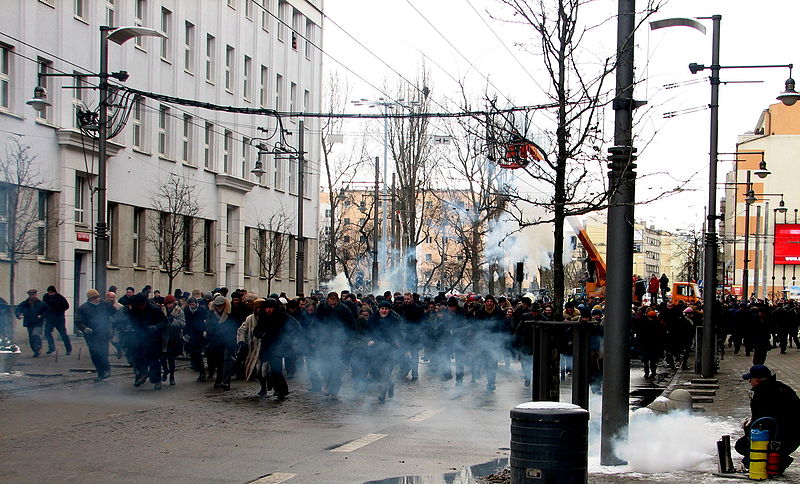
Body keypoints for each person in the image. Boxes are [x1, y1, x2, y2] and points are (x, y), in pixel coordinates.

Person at [735, 365, 800, 475]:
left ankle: (777, 461)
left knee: (742, 445)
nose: (749, 381)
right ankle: (776, 460)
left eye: (751, 379)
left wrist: (747, 428)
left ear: (758, 380)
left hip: (781, 439)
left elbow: (761, 422)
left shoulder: (761, 393)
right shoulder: (782, 387)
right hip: (795, 436)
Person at [75, 289, 112, 381]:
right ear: (90, 299)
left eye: (97, 297)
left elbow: (115, 313)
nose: (97, 299)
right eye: (94, 298)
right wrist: (84, 328)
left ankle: (106, 370)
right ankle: (100, 373)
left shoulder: (105, 304)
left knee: (103, 352)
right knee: (94, 354)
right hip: (91, 335)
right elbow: (78, 321)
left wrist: (111, 326)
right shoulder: (83, 308)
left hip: (103, 333)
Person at [160, 295, 185, 386]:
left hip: (174, 338)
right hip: (163, 337)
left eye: (170, 303)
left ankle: (172, 376)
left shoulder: (179, 311)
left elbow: (183, 324)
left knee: (171, 358)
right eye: (167, 304)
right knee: (162, 358)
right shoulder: (162, 311)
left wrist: (173, 321)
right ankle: (165, 370)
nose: (169, 306)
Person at [15, 289, 47, 357]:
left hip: (38, 322)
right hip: (29, 322)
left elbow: (47, 311)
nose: (31, 296)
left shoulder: (41, 303)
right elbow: (18, 309)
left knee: (35, 334)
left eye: (33, 295)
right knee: (31, 337)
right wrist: (19, 315)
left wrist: (41, 315)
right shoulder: (25, 303)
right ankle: (35, 351)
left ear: (36, 295)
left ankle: (38, 349)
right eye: (30, 295)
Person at [42, 285, 72, 355]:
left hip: (59, 319)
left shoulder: (60, 298)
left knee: (63, 334)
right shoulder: (45, 297)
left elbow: (66, 306)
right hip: (50, 318)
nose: (50, 294)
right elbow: (43, 306)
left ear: (54, 292)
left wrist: (58, 310)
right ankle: (51, 347)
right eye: (49, 292)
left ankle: (68, 349)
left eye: (51, 292)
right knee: (47, 333)